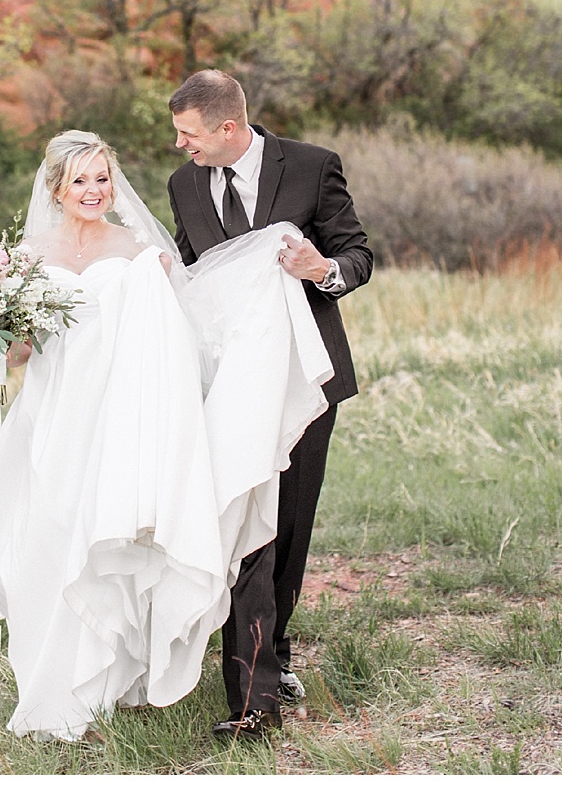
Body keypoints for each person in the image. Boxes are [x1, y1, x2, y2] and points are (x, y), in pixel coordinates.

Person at [0, 131, 227, 741]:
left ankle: (110, 683)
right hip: (51, 412)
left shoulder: (140, 251)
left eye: (103, 178)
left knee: (100, 535)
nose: (94, 190)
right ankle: (49, 686)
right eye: (80, 180)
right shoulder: (25, 257)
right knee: (46, 536)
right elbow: (22, 350)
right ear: (56, 187)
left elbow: (176, 339)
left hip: (114, 415)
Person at [166, 70, 371, 740]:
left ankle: (272, 651)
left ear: (228, 127)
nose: (181, 147)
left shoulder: (312, 167)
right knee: (240, 516)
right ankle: (253, 681)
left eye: (189, 134)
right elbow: (191, 276)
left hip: (303, 381)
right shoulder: (184, 186)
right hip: (226, 384)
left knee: (288, 522)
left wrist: (321, 271)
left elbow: (357, 254)